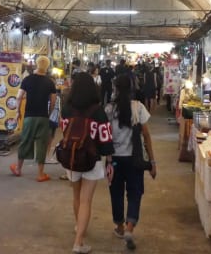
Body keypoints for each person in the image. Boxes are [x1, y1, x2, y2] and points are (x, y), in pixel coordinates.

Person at [61, 72, 114, 254]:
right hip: (92, 159)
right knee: (86, 201)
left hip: (71, 157)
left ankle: (79, 226)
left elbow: (64, 132)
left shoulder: (66, 108)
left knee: (76, 197)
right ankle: (78, 242)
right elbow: (105, 138)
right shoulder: (98, 111)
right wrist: (109, 160)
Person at [105, 74, 156, 250]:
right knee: (135, 193)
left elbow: (105, 136)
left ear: (115, 89)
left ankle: (119, 226)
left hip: (114, 160)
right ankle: (129, 227)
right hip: (135, 160)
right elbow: (146, 136)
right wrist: (152, 162)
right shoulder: (138, 107)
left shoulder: (109, 109)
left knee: (116, 193)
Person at [10, 56, 57, 182]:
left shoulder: (27, 79)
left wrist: (17, 112)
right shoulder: (50, 82)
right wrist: (49, 112)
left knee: (25, 140)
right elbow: (53, 101)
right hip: (43, 117)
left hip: (29, 116)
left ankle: (18, 168)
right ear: (47, 67)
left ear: (36, 64)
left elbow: (19, 97)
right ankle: (40, 174)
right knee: (42, 143)